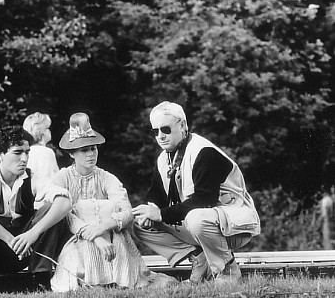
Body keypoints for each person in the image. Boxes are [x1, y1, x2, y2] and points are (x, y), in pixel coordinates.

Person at [132, 101, 260, 285]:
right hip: (202, 224)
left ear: (183, 125)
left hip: (234, 225)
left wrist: (160, 214)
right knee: (140, 224)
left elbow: (203, 200)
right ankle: (198, 257)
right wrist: (149, 209)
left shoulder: (204, 152)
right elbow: (156, 193)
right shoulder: (165, 157)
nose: (160, 136)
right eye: (155, 131)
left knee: (196, 218)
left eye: (166, 129)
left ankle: (228, 270)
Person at [50, 112, 177, 291]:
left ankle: (118, 275)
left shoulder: (107, 178)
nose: (90, 155)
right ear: (72, 153)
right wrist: (96, 237)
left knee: (109, 209)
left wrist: (102, 227)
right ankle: (93, 277)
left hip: (112, 237)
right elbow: (66, 217)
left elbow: (126, 212)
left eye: (93, 148)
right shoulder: (62, 177)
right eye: (84, 150)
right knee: (81, 210)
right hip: (76, 241)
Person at [0, 125, 72, 293]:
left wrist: (32, 234)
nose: (24, 158)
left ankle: (40, 279)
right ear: (0, 154)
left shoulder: (32, 178)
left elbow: (64, 202)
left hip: (25, 253)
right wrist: (10, 239)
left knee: (51, 208)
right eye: (18, 153)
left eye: (27, 152)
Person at [23, 112, 59, 209]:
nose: (50, 131)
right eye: (48, 128)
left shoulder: (26, 152)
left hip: (28, 204)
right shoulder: (47, 152)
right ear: (42, 131)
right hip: (45, 205)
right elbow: (52, 181)